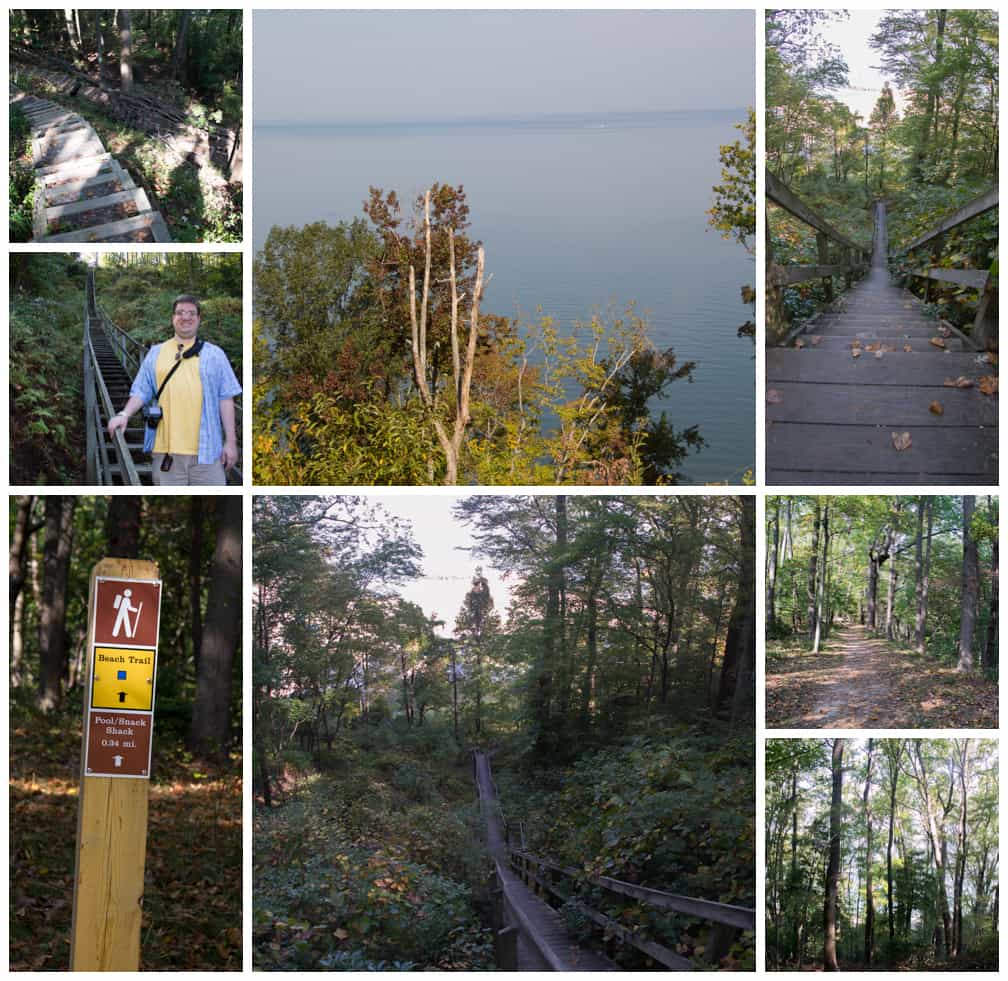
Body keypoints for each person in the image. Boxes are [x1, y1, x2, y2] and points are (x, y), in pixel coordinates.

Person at [107, 294, 241, 485]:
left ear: (199, 319)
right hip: (166, 453)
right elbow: (141, 391)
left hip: (209, 454)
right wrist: (124, 414)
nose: (185, 317)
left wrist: (231, 442)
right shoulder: (156, 353)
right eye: (180, 313)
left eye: (191, 313)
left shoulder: (215, 355)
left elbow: (226, 398)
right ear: (173, 318)